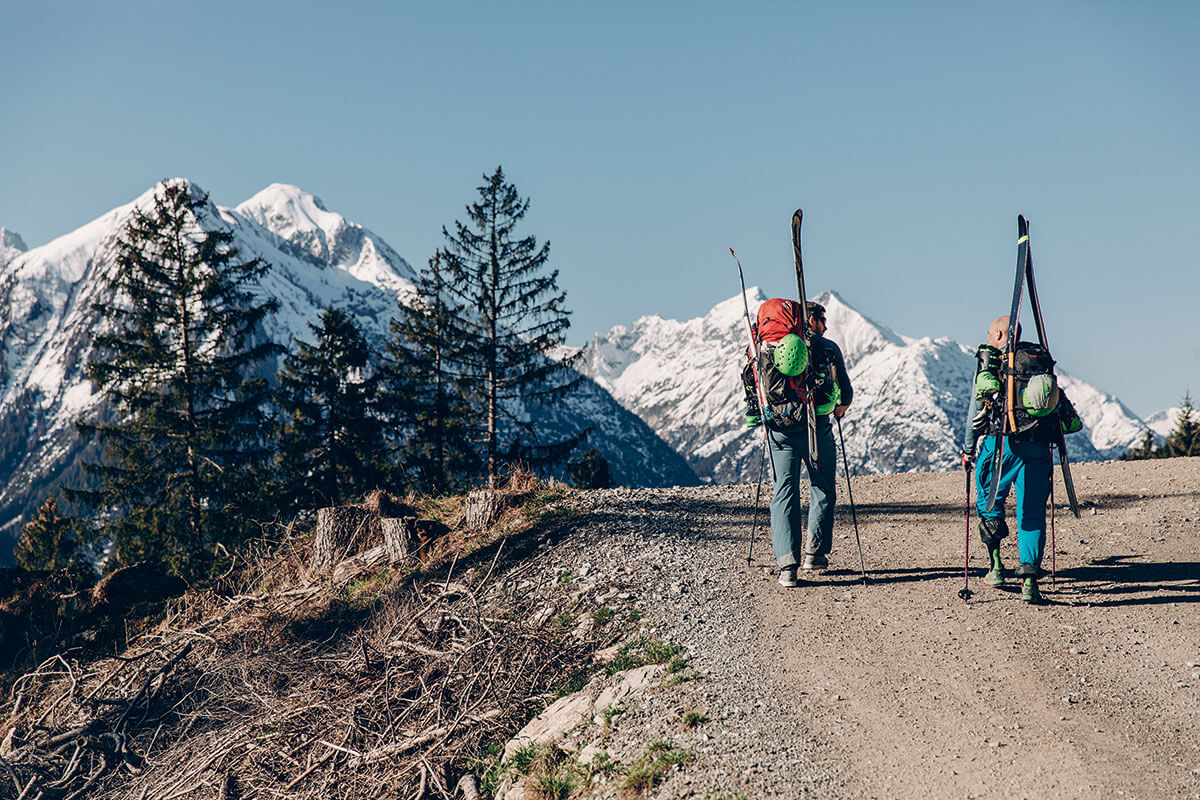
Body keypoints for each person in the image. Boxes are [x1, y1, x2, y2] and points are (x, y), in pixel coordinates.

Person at [962, 315, 1082, 603]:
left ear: (1001, 335)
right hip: (1039, 448)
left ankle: (996, 567)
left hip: (1001, 444)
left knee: (989, 501)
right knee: (1032, 513)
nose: (988, 337)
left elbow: (975, 413)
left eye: (991, 333)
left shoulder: (993, 366)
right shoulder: (1038, 363)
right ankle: (1030, 583)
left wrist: (968, 449)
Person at [743, 299, 853, 587]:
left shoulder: (761, 349)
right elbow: (845, 395)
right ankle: (814, 554)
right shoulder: (826, 347)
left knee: (784, 492)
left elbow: (753, 391)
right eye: (821, 319)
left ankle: (787, 566)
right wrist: (836, 406)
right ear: (810, 319)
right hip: (816, 430)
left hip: (779, 431)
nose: (825, 326)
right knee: (823, 487)